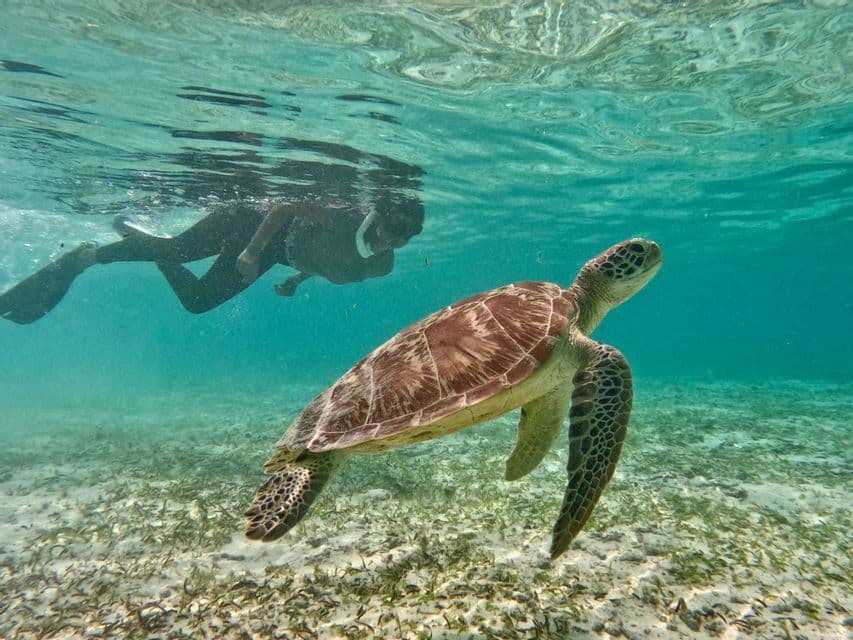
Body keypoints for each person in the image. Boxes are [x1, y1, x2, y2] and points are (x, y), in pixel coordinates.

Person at [0, 188, 423, 324]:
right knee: (176, 249)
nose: (392, 238)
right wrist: (253, 249)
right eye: (391, 225)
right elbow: (284, 206)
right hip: (252, 223)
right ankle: (87, 257)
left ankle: (139, 237)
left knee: (197, 302)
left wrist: (296, 279)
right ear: (378, 213)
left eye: (405, 235)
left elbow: (333, 266)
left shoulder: (381, 265)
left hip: (275, 255)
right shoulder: (346, 216)